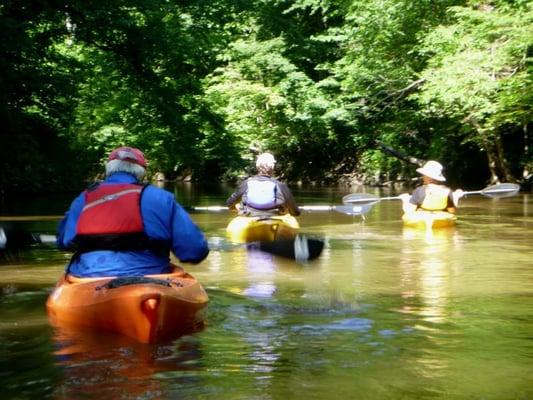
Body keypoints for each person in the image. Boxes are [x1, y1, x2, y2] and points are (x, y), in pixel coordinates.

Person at [57, 146, 209, 277]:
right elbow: (194, 250)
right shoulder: (162, 198)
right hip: (150, 279)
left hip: (87, 277)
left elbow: (64, 242)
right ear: (142, 173)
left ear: (108, 169)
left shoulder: (84, 198)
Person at [226, 152, 301, 217]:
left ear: (257, 167)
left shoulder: (246, 183)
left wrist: (237, 208)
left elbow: (229, 203)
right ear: (273, 167)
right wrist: (288, 212)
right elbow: (296, 212)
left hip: (250, 216)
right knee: (286, 208)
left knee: (236, 205)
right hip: (275, 216)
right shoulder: (280, 185)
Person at [399, 160, 463, 214]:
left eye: (424, 175)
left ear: (430, 178)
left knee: (407, 200)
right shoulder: (447, 191)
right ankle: (456, 196)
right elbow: (452, 211)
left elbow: (409, 211)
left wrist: (405, 199)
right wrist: (456, 197)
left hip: (423, 219)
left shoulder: (419, 191)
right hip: (440, 218)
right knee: (454, 198)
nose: (423, 177)